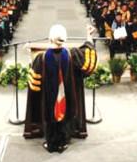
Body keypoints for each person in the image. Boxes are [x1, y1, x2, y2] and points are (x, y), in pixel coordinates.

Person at [24, 23, 98, 153]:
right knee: (64, 112)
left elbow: (34, 87)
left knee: (51, 114)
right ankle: (63, 142)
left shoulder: (41, 58)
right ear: (65, 38)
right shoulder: (72, 55)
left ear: (50, 38)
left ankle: (51, 143)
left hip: (48, 100)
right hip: (67, 97)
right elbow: (88, 54)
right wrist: (88, 35)